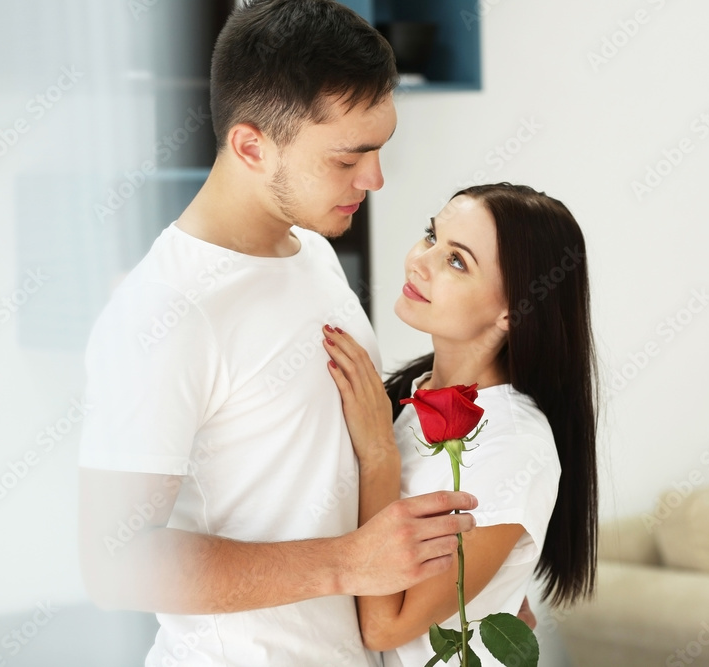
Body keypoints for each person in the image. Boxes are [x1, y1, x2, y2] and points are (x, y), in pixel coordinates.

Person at [76, 2, 476, 665]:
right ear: (251, 146)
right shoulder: (165, 311)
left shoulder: (312, 254)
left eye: (381, 148)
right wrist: (346, 564)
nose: (374, 180)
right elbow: (113, 564)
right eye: (350, 158)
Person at [321, 183, 599, 665]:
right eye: (431, 236)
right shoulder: (412, 396)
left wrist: (379, 456)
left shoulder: (513, 446)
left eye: (456, 261)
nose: (418, 261)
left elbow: (386, 628)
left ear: (513, 310)